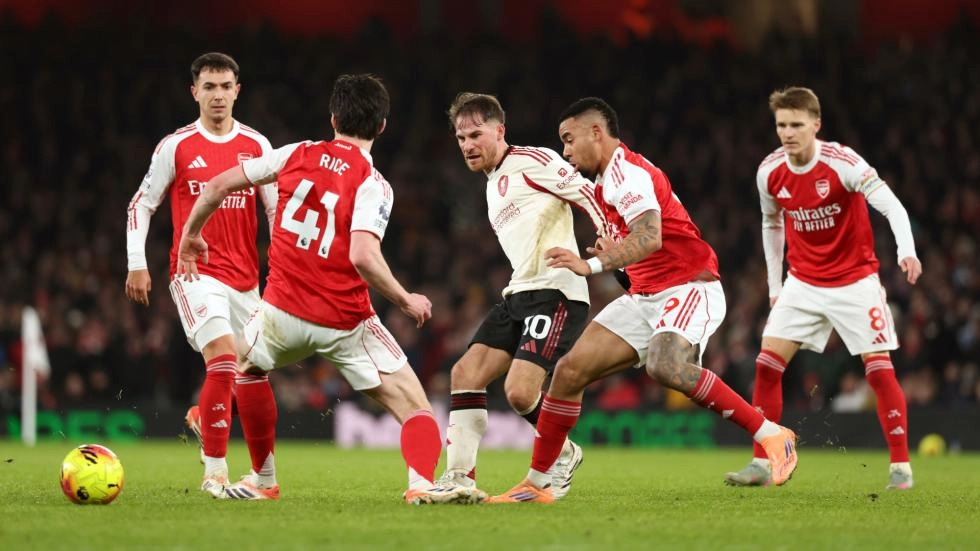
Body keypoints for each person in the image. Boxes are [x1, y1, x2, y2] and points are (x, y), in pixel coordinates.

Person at [177, 74, 476, 504]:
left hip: (279, 312)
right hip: (345, 321)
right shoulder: (374, 183)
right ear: (382, 127)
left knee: (245, 369)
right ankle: (421, 485)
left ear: (332, 117)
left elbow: (217, 186)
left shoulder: (295, 152)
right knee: (416, 408)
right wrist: (405, 298)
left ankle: (262, 480)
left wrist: (191, 234)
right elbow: (362, 256)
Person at [486, 97, 799, 504]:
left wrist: (592, 264)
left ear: (596, 132)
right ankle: (539, 483)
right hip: (646, 296)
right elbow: (642, 249)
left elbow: (650, 236)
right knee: (567, 372)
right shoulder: (604, 183)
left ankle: (772, 434)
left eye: (569, 139)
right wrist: (615, 257)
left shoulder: (625, 173)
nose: (565, 151)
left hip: (689, 286)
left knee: (665, 365)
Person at [724, 86, 921, 490]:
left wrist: (907, 250)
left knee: (879, 372)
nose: (788, 132)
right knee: (765, 364)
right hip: (804, 282)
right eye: (781, 124)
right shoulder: (769, 171)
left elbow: (892, 205)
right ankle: (763, 463)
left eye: (797, 124)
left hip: (855, 281)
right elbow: (771, 223)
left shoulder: (842, 163)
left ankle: (901, 469)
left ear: (816, 125)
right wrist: (775, 285)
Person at [435, 93, 610, 500]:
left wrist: (610, 240)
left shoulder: (534, 160)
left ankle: (559, 455)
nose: (467, 145)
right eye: (460, 138)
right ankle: (458, 478)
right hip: (520, 292)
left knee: (518, 391)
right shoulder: (492, 185)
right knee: (464, 374)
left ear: (500, 130)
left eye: (476, 134)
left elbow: (587, 194)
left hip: (557, 291)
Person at [124, 52, 278, 497]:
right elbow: (142, 204)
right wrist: (138, 262)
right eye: (208, 87)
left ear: (237, 91)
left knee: (252, 372)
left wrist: (283, 271)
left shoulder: (257, 145)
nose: (217, 95)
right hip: (194, 274)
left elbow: (275, 208)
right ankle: (215, 471)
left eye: (225, 86)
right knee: (224, 357)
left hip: (246, 281)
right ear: (194, 92)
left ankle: (212, 422)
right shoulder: (176, 146)